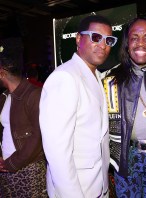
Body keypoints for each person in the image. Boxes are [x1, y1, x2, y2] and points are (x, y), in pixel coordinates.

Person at [39, 15, 117, 197]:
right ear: (79, 39)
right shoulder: (65, 78)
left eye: (108, 40)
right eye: (96, 37)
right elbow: (57, 152)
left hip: (97, 186)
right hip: (76, 190)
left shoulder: (97, 76)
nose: (103, 45)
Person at [103, 17, 146, 197]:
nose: (141, 43)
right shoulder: (111, 79)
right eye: (134, 38)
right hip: (126, 155)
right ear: (126, 44)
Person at [0, 51, 46, 197]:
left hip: (29, 170)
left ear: (2, 73)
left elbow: (38, 136)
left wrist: (13, 163)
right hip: (6, 168)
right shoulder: (4, 97)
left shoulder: (34, 94)